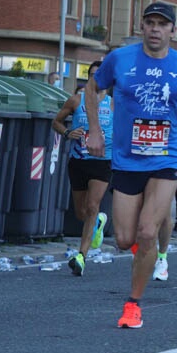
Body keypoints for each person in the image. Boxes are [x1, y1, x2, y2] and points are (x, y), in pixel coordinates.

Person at [85, 1, 177, 329]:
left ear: (173, 30)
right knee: (126, 239)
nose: (155, 29)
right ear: (142, 26)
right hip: (127, 160)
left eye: (162, 24)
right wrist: (95, 131)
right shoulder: (120, 58)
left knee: (147, 230)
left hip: (166, 157)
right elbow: (92, 87)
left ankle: (133, 305)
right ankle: (144, 252)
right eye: (150, 22)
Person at [52, 60, 112, 276]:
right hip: (78, 161)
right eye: (93, 75)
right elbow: (56, 122)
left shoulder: (114, 104)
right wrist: (67, 133)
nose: (97, 79)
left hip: (103, 162)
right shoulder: (76, 101)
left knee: (93, 205)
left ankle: (81, 256)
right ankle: (98, 223)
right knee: (82, 213)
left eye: (101, 75)